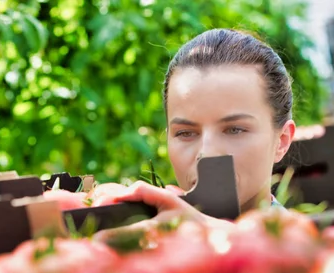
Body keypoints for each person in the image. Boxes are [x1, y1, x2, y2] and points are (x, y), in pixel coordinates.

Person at [113, 28, 296, 227]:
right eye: (185, 133)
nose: (207, 153)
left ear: (282, 140)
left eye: (235, 129)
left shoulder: (313, 249)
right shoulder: (139, 244)